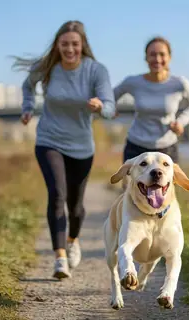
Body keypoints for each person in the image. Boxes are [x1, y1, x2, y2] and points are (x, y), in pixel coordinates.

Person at [13, 20, 116, 279]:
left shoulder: (96, 71)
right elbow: (28, 85)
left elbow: (111, 108)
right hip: (49, 139)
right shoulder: (48, 68)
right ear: (57, 46)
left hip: (81, 146)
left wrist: (100, 107)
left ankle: (72, 240)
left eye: (75, 44)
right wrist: (28, 107)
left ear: (83, 46)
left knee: (76, 207)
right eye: (64, 44)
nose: (70, 49)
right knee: (57, 194)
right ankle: (59, 257)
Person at [113, 36, 189, 184]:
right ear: (146, 58)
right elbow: (110, 97)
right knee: (130, 193)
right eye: (152, 54)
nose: (157, 59)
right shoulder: (133, 82)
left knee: (164, 197)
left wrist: (181, 122)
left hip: (166, 148)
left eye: (162, 54)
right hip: (136, 146)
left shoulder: (180, 83)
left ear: (169, 58)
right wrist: (111, 109)